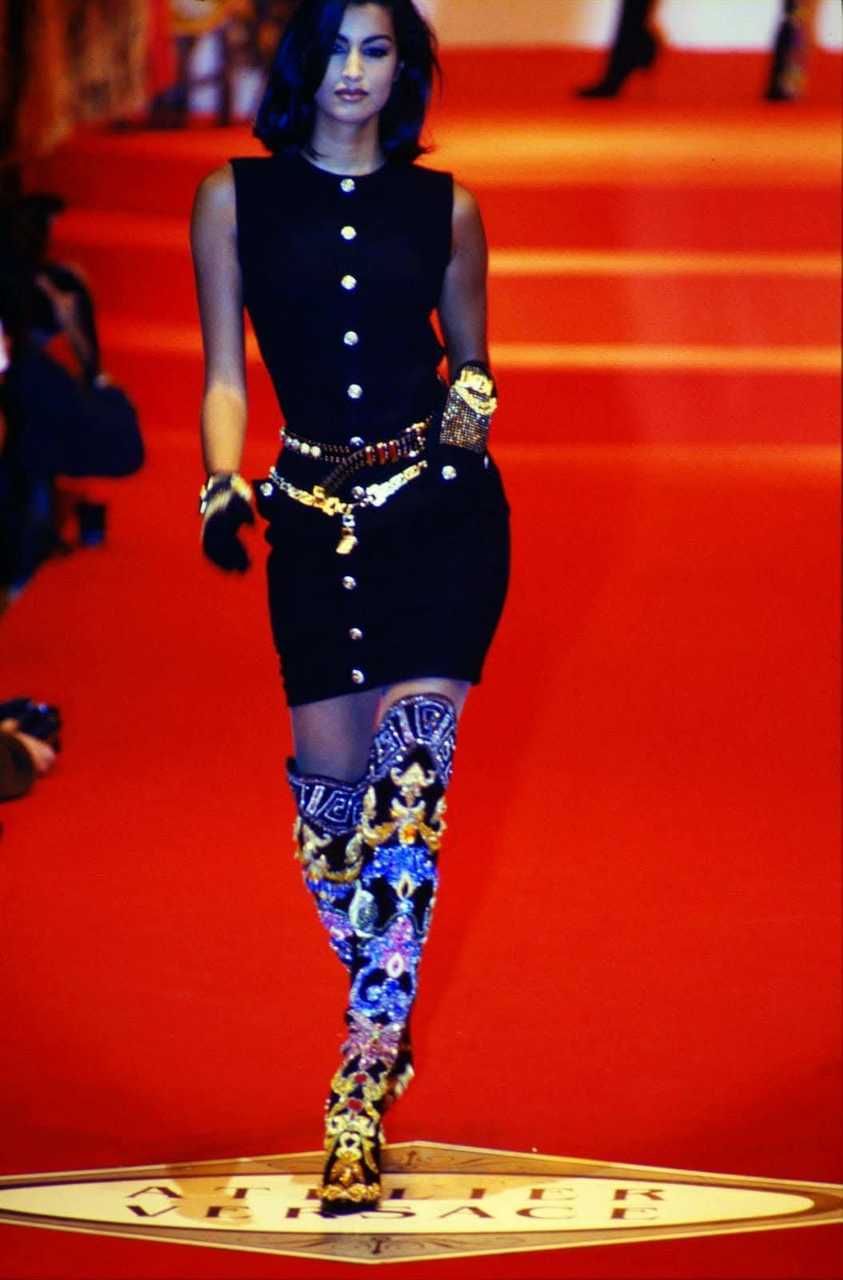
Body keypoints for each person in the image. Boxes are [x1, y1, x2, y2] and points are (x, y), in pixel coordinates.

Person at [190, 0, 509, 1217]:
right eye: (334, 47)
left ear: (405, 69)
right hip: (311, 525)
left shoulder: (448, 208)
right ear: (300, 61)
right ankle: (389, 984)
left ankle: (358, 1090)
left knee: (409, 800)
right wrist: (221, 480)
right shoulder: (231, 199)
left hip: (439, 524)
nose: (355, 72)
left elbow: (472, 362)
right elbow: (227, 371)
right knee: (333, 832)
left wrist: (462, 449)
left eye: (378, 49)